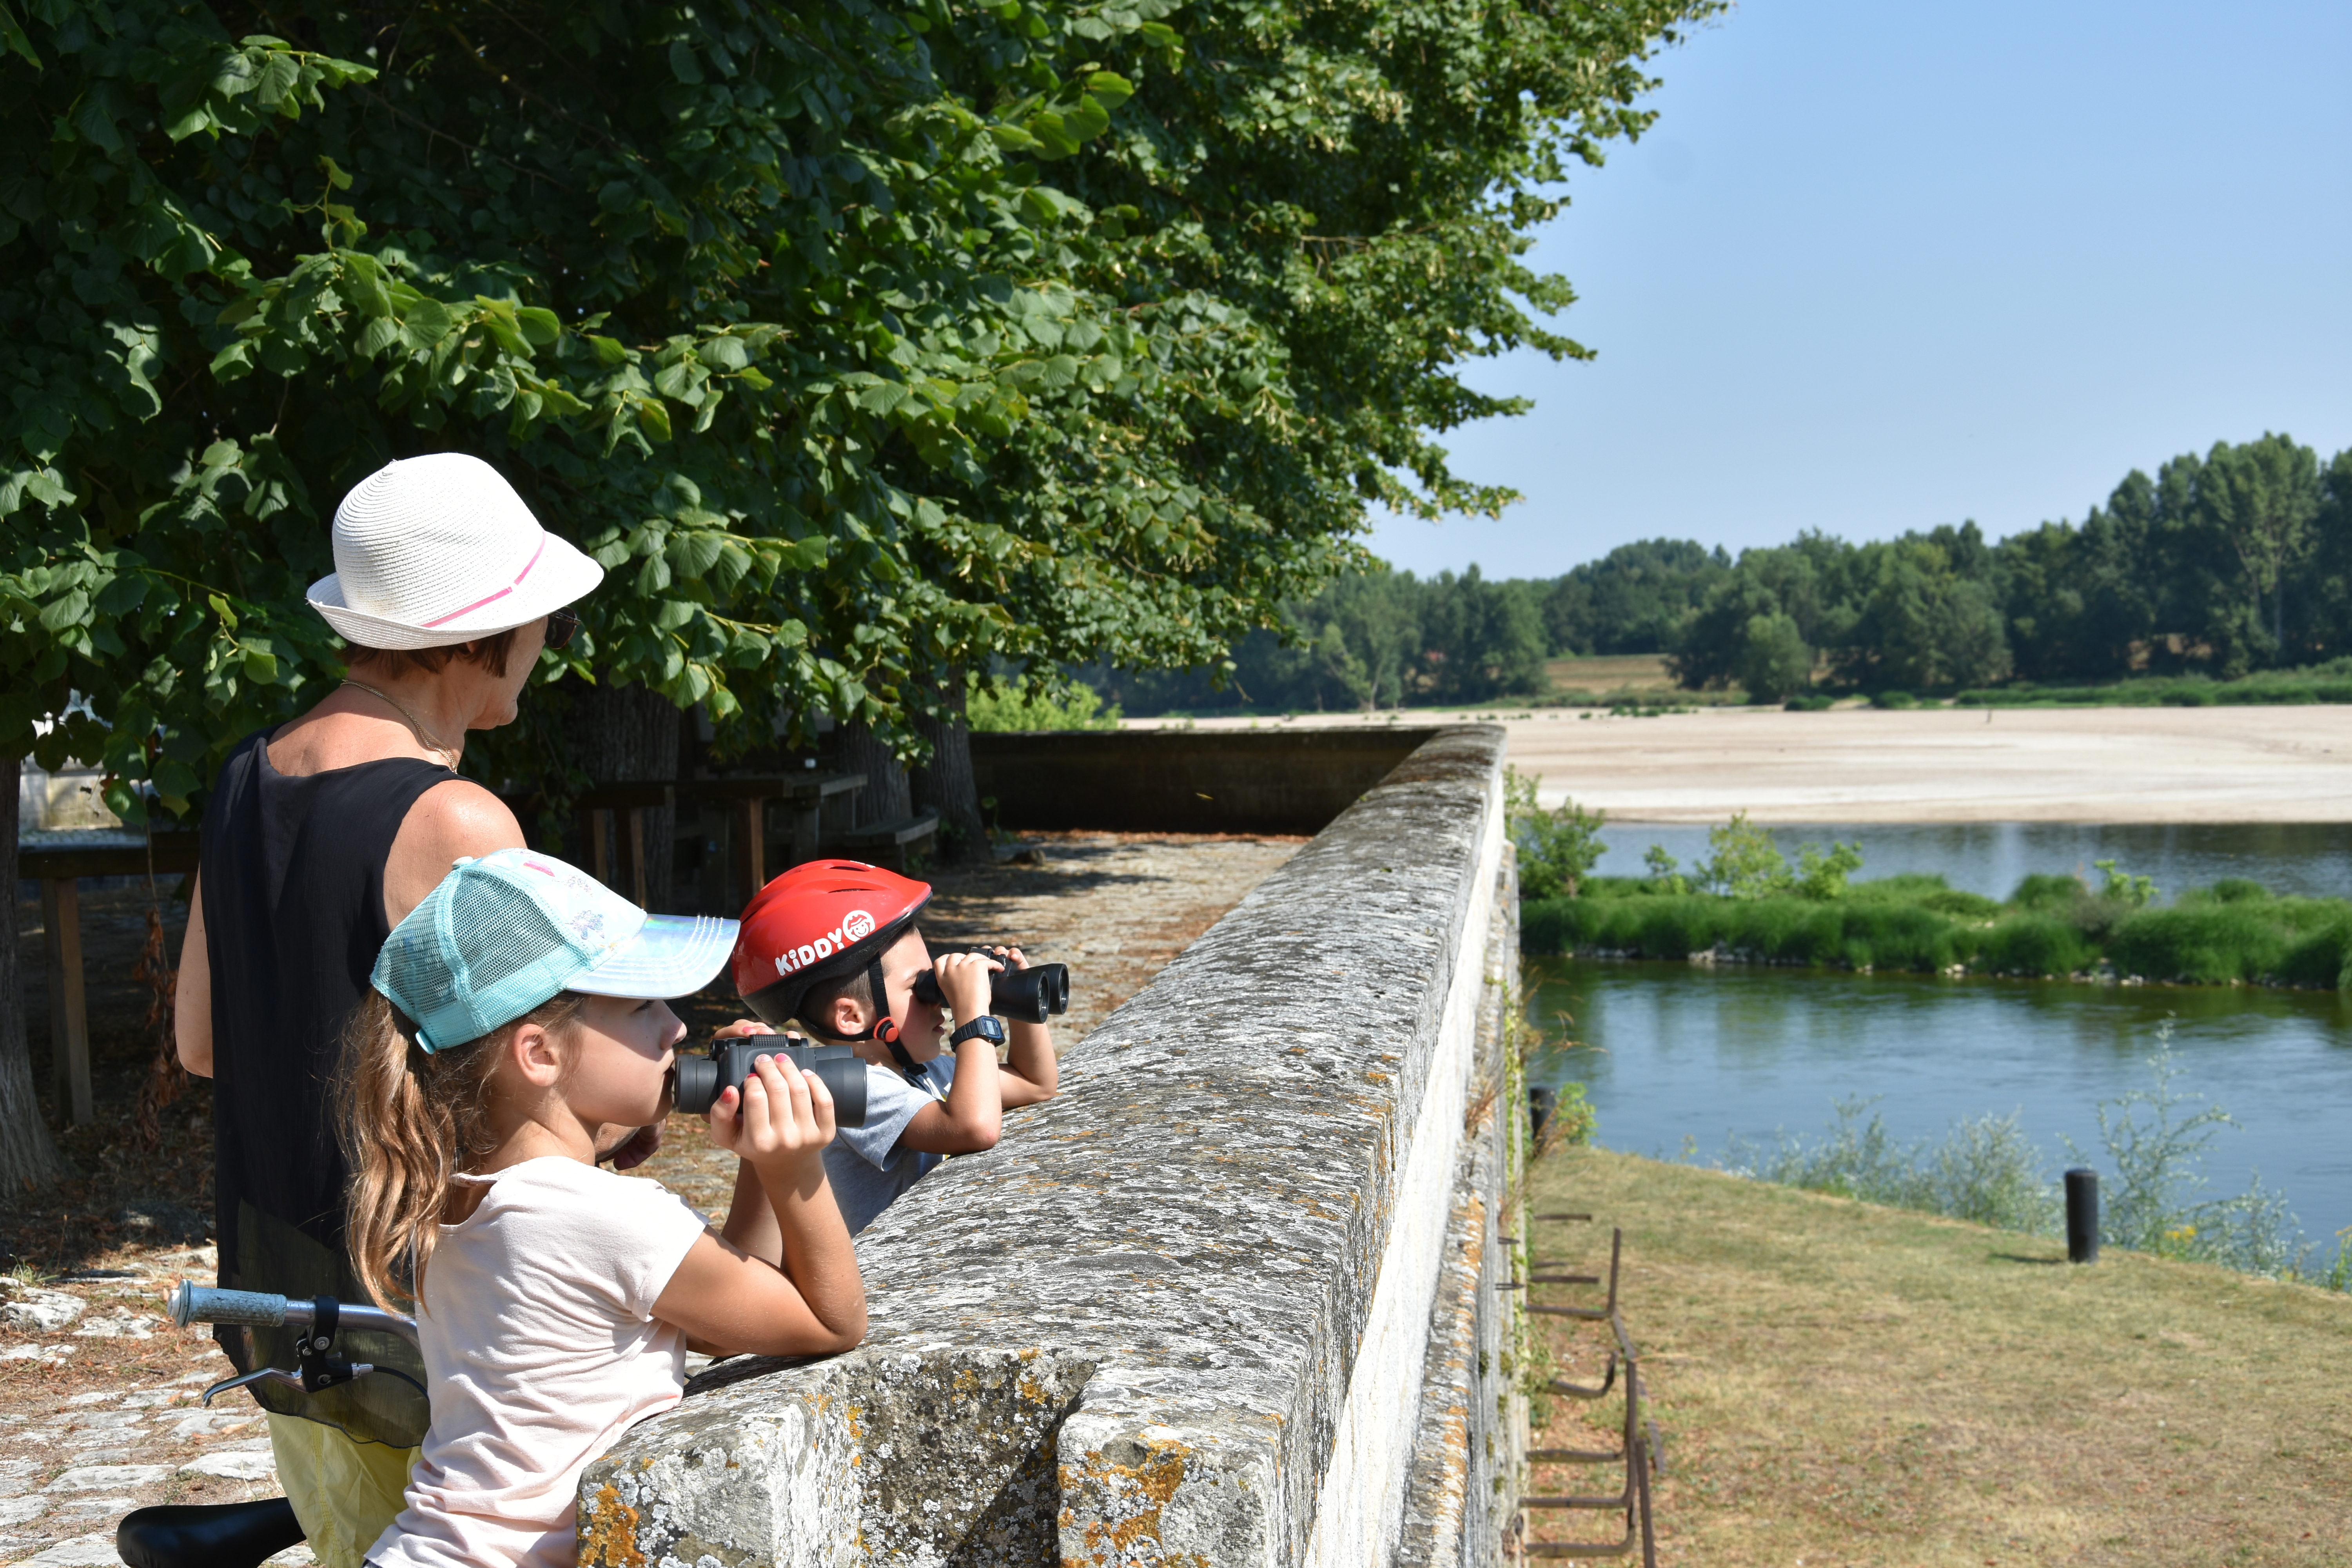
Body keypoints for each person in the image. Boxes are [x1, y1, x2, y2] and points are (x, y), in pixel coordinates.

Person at [174, 452, 608, 1568]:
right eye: (538, 620)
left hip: (283, 1311)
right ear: (481, 635)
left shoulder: (240, 778)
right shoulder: (457, 820)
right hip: (431, 1317)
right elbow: (541, 1085)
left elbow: (201, 1043)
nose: (546, 645)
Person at [341, 848, 864, 1568]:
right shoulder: (604, 1215)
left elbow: (719, 1320)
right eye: (643, 1005)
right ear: (540, 1054)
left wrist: (757, 1154)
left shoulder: (460, 1190)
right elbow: (831, 1322)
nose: (677, 1028)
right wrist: (794, 1167)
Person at [727, 860, 1058, 1235]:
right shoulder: (849, 1089)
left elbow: (1035, 1084)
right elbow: (974, 1127)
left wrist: (1010, 998)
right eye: (920, 987)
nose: (938, 1000)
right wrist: (972, 1014)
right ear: (852, 1018)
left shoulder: (921, 1071)